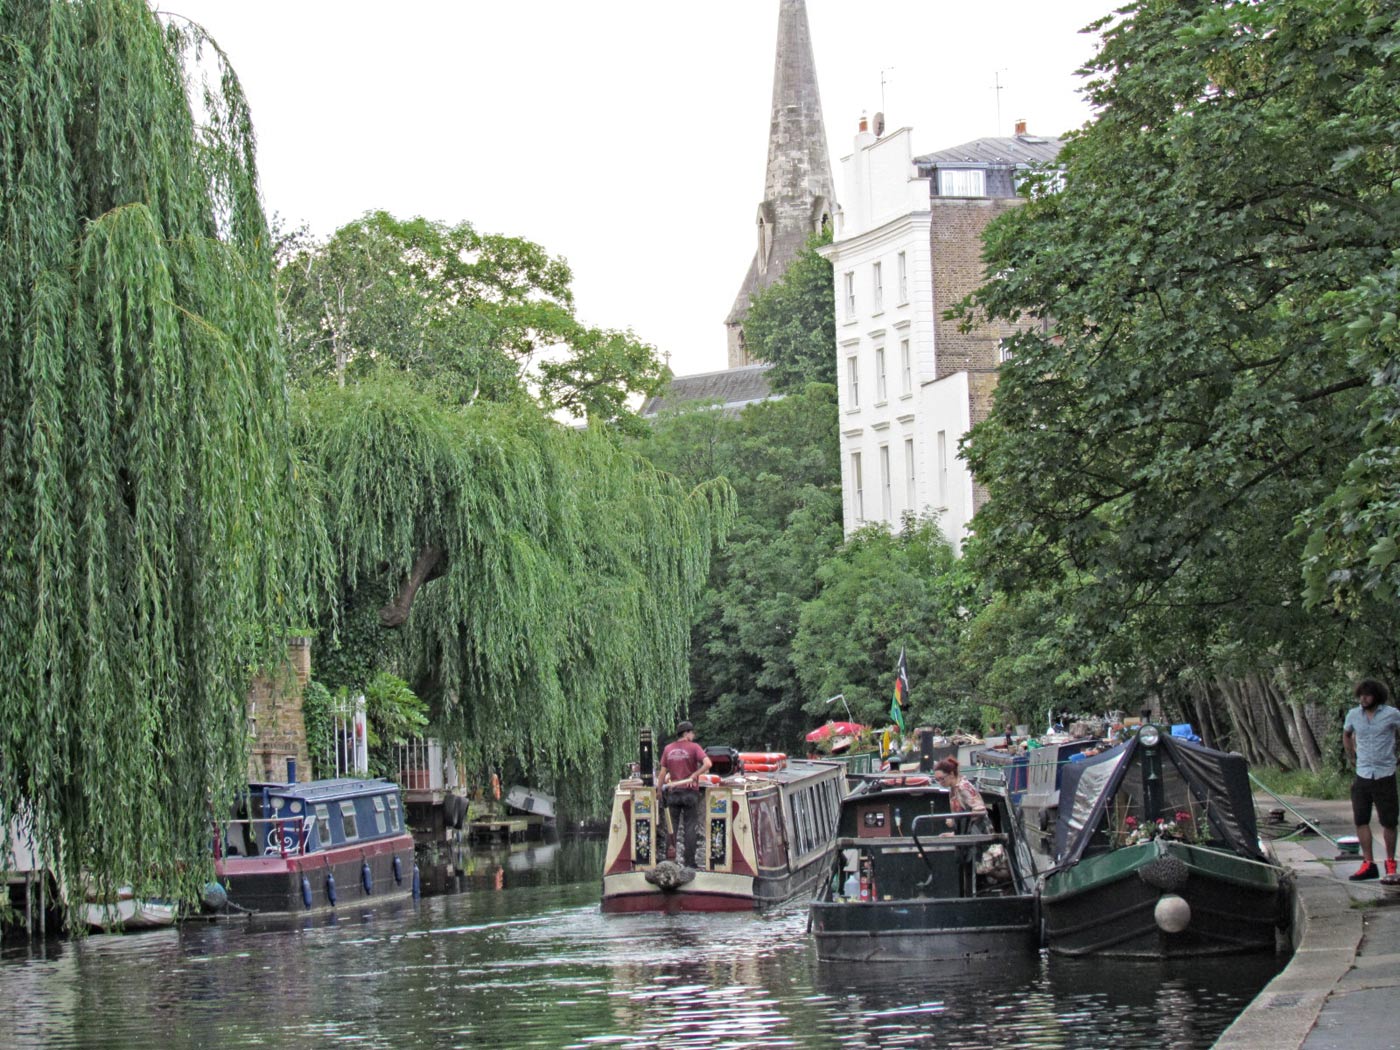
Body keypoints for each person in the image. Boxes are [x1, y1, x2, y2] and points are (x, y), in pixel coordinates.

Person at [1343, 679, 1400, 880]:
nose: (1363, 699)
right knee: (1361, 819)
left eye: (1367, 695)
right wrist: (1351, 755)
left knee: (1389, 821)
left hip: (1385, 773)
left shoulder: (1391, 714)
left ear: (1376, 696)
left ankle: (1391, 864)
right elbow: (1347, 733)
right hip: (1363, 773)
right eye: (1361, 695)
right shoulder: (1353, 714)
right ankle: (1368, 864)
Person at [656, 720, 711, 869]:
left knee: (671, 827)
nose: (693, 736)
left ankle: (670, 861)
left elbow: (662, 773)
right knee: (690, 828)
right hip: (690, 793)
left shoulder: (668, 749)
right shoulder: (694, 747)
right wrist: (695, 774)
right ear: (687, 733)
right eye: (692, 733)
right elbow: (708, 764)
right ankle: (690, 863)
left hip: (673, 793)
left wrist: (659, 790)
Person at [933, 756, 986, 832]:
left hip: (979, 833)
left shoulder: (963, 788)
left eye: (942, 778)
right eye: (937, 780)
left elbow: (980, 809)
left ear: (951, 774)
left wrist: (960, 819)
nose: (940, 782)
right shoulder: (953, 790)